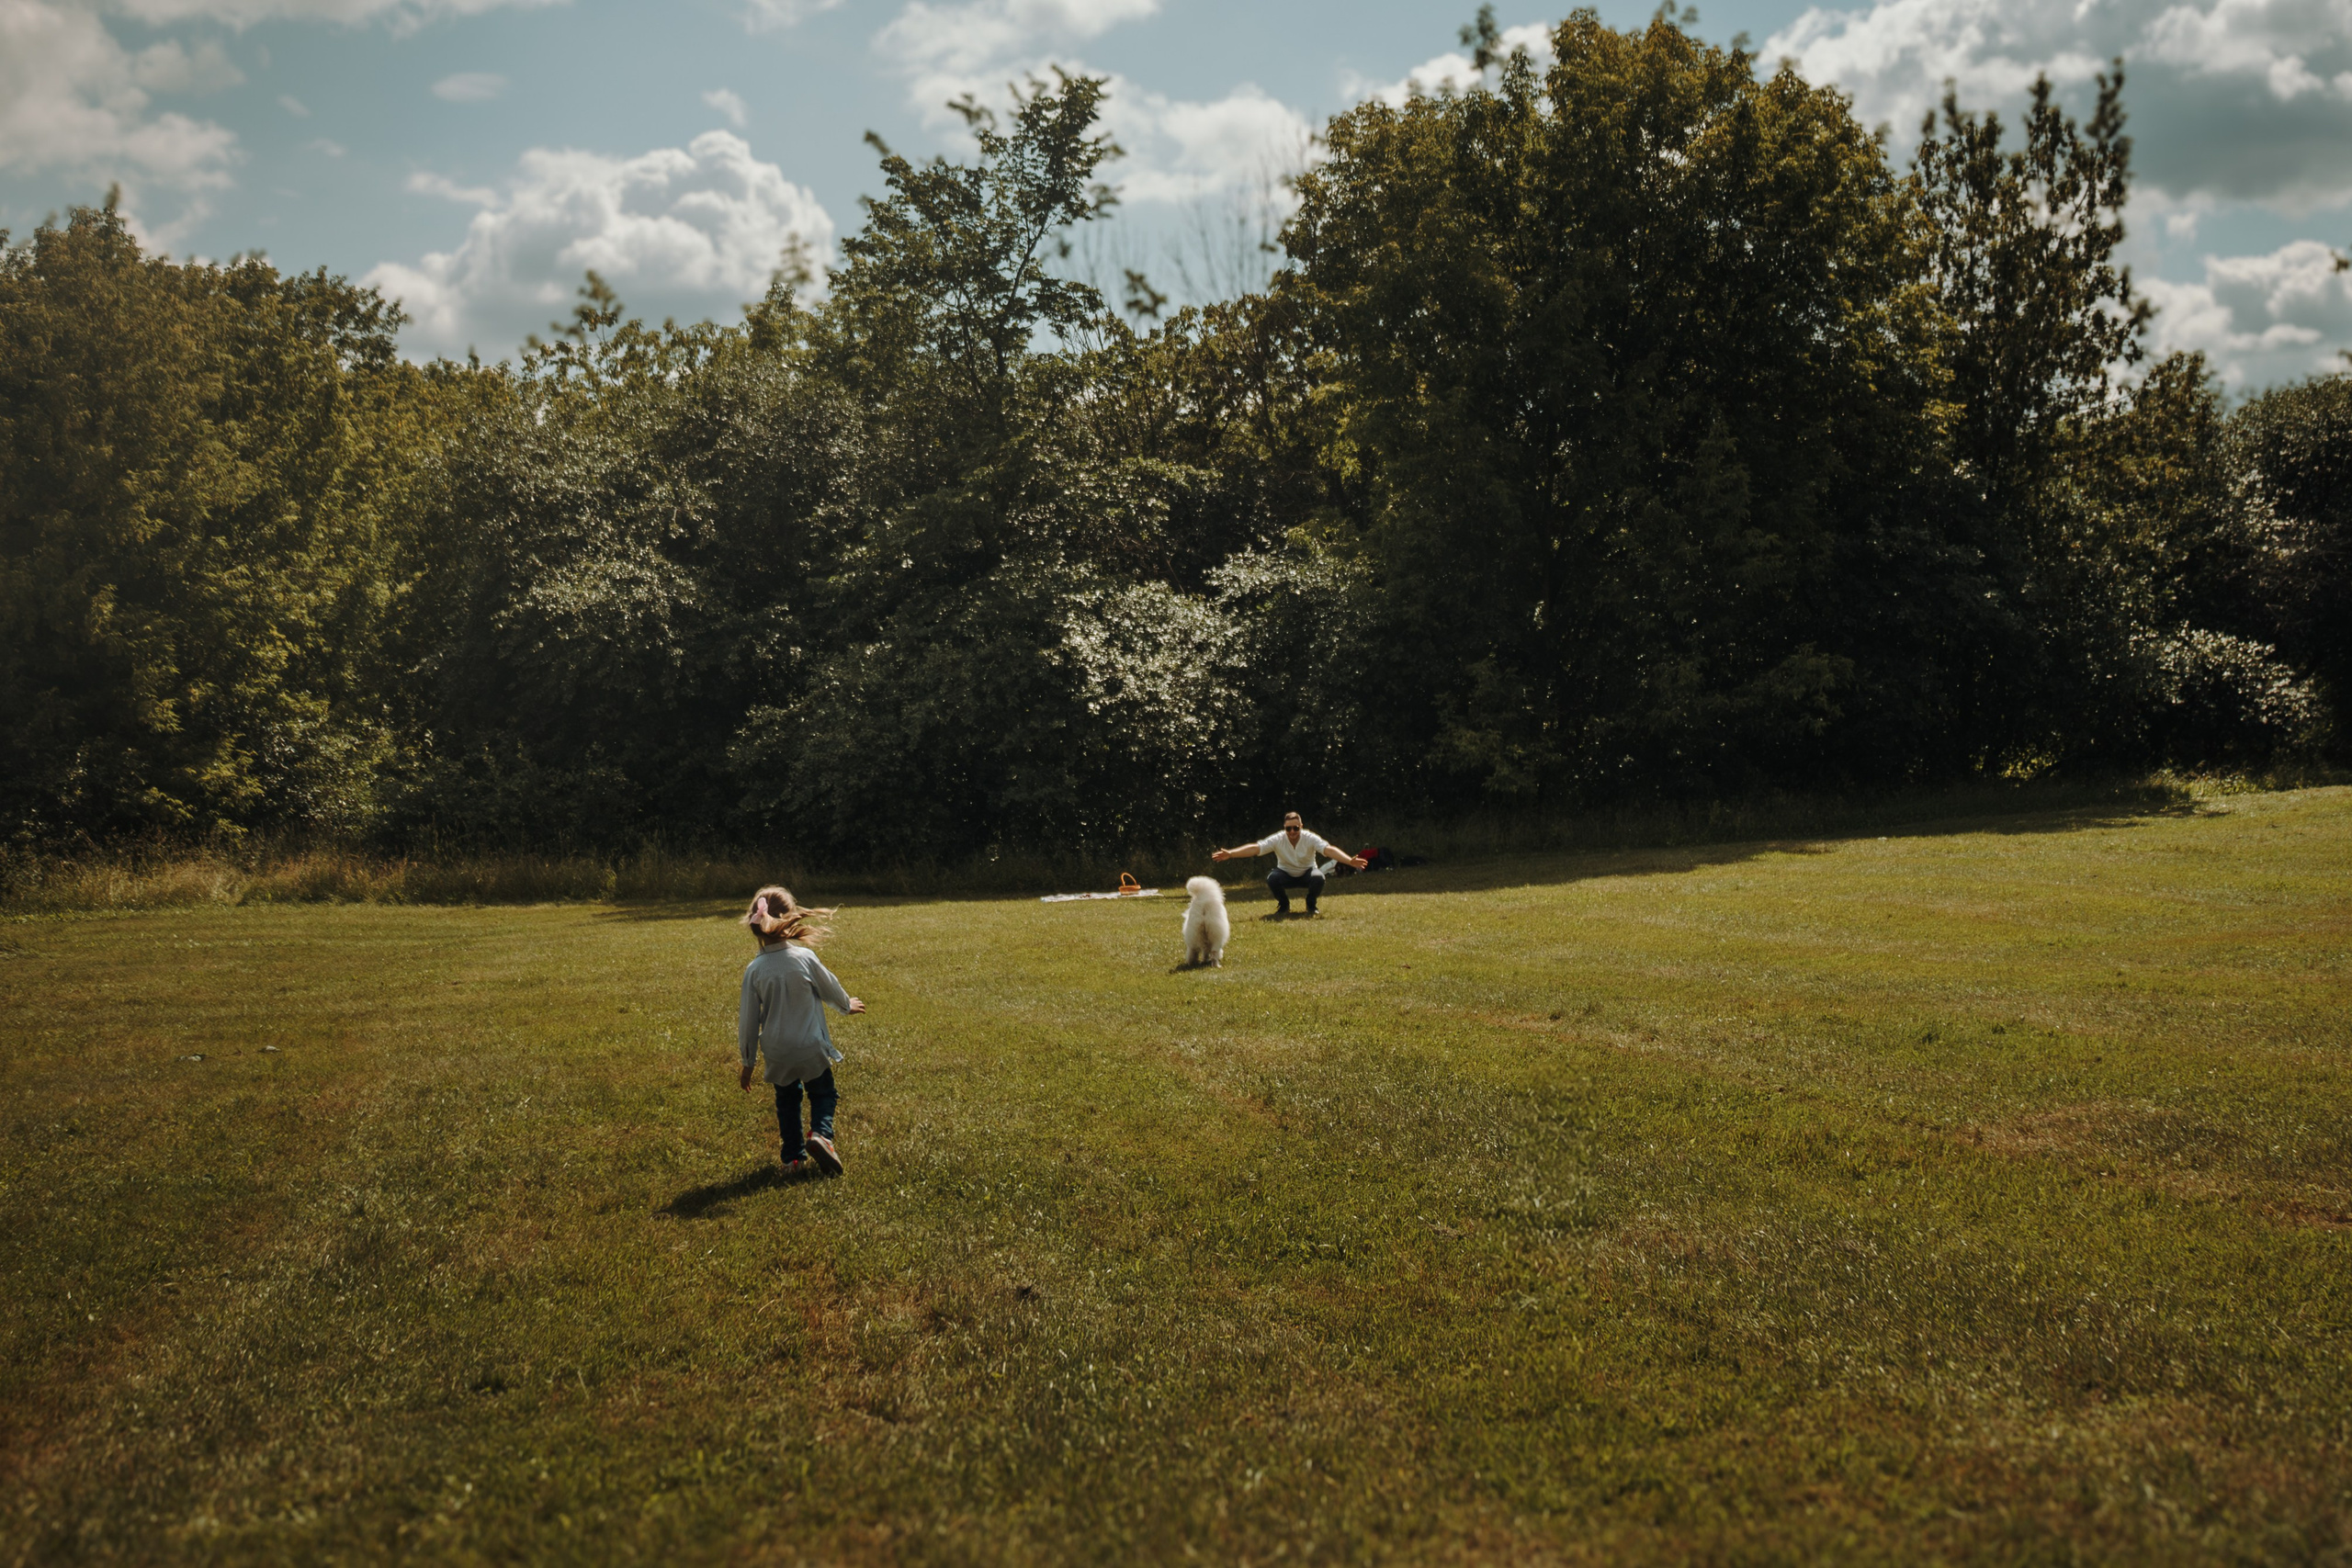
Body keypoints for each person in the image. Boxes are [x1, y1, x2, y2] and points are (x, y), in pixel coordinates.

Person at [738, 885, 865, 1177]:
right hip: (809, 1045)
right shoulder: (804, 958)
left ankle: (792, 1159)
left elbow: (748, 1021)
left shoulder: (754, 971)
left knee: (787, 1100)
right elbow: (829, 987)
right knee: (823, 1093)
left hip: (778, 1051)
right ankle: (821, 1136)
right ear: (789, 919)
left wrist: (748, 1062)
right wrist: (846, 1005)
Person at [1211, 810, 1368, 916]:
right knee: (1272, 878)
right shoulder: (1278, 838)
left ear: (1301, 827)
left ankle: (1311, 904)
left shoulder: (1310, 837)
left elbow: (1328, 850)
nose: (1292, 832)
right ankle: (1284, 905)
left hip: (1308, 872)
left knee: (1319, 877)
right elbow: (1255, 848)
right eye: (1288, 829)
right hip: (1285, 873)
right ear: (1284, 828)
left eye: (1295, 828)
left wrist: (1349, 861)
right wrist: (1231, 854)